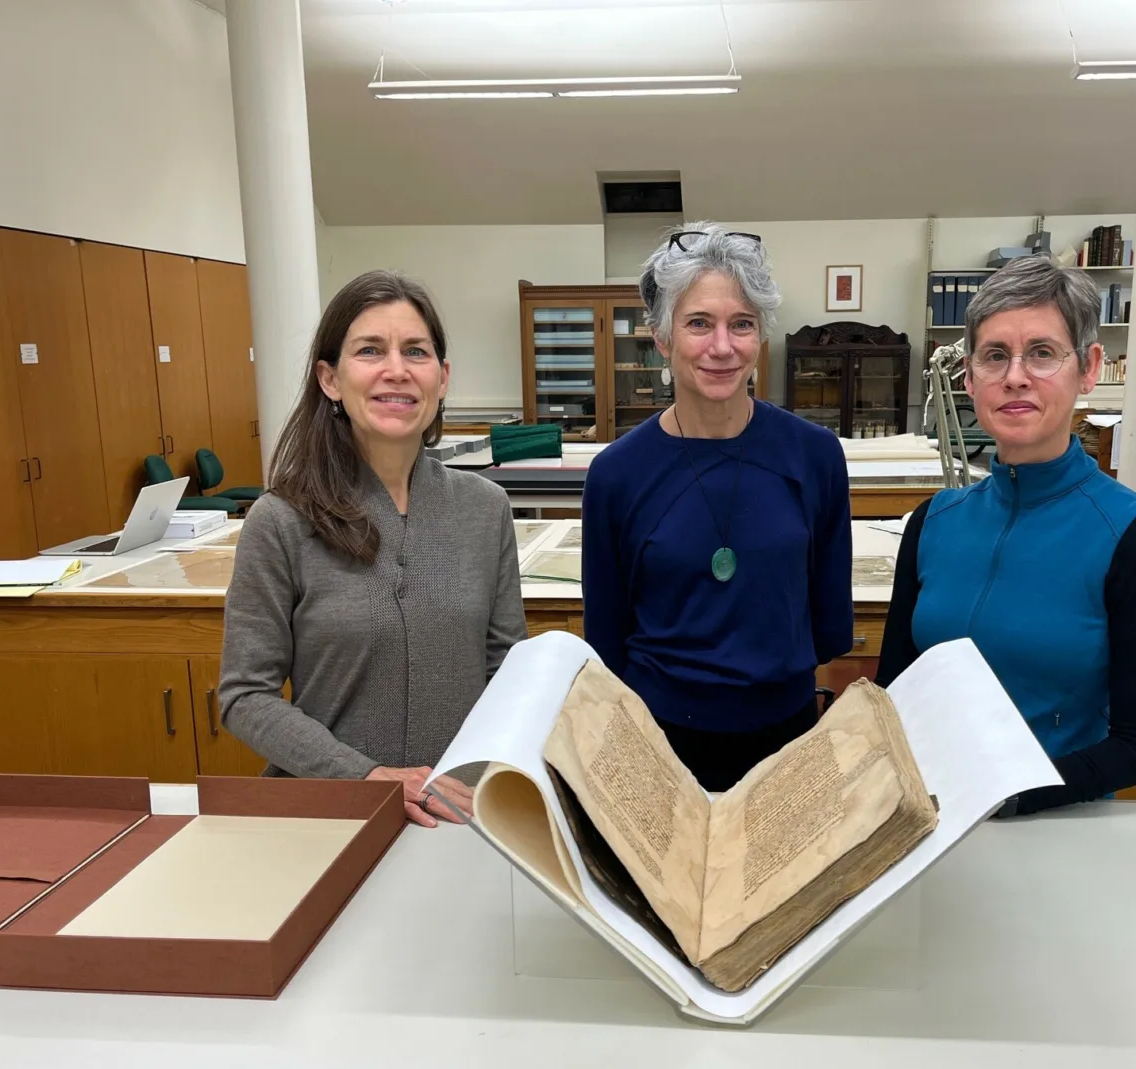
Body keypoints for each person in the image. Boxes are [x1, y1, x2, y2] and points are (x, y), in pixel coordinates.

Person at [877, 255, 1136, 815]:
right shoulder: (932, 523)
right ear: (969, 378)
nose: (1015, 376)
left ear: (1088, 368)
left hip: (1057, 826)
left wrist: (1003, 799)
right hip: (925, 827)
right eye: (995, 356)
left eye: (1042, 353)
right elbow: (894, 694)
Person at [220, 270, 527, 827]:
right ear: (330, 379)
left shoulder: (485, 509)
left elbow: (506, 670)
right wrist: (365, 777)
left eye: (416, 351)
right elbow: (245, 695)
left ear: (442, 377)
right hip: (333, 814)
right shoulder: (282, 519)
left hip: (460, 815)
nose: (397, 370)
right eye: (370, 351)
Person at [582, 222, 854, 792]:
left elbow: (830, 626)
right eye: (699, 323)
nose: (723, 346)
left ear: (761, 338)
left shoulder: (815, 457)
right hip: (658, 748)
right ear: (662, 337)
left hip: (787, 739)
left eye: (743, 324)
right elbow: (606, 641)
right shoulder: (616, 475)